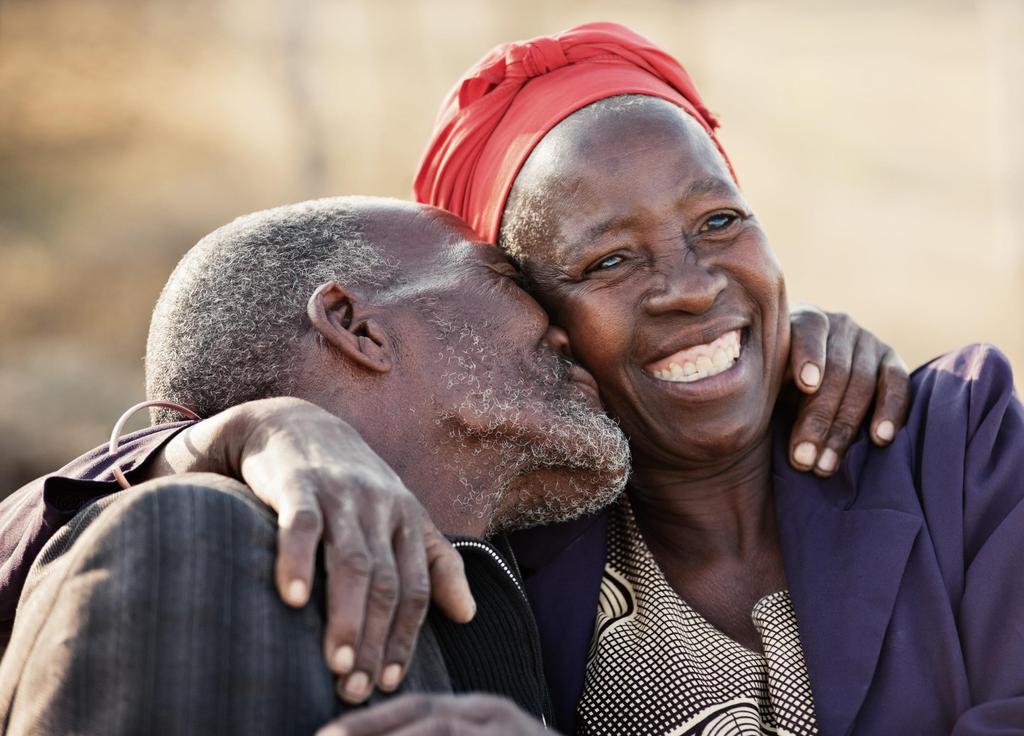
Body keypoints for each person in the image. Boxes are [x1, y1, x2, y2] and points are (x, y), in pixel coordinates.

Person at [412, 21, 1024, 735]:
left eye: (720, 220)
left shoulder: (953, 449)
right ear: (530, 317)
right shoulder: (496, 569)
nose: (693, 288)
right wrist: (262, 431)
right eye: (610, 260)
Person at [0, 196, 629, 734]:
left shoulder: (510, 601)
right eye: (507, 279)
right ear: (356, 326)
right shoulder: (198, 537)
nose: (563, 326)